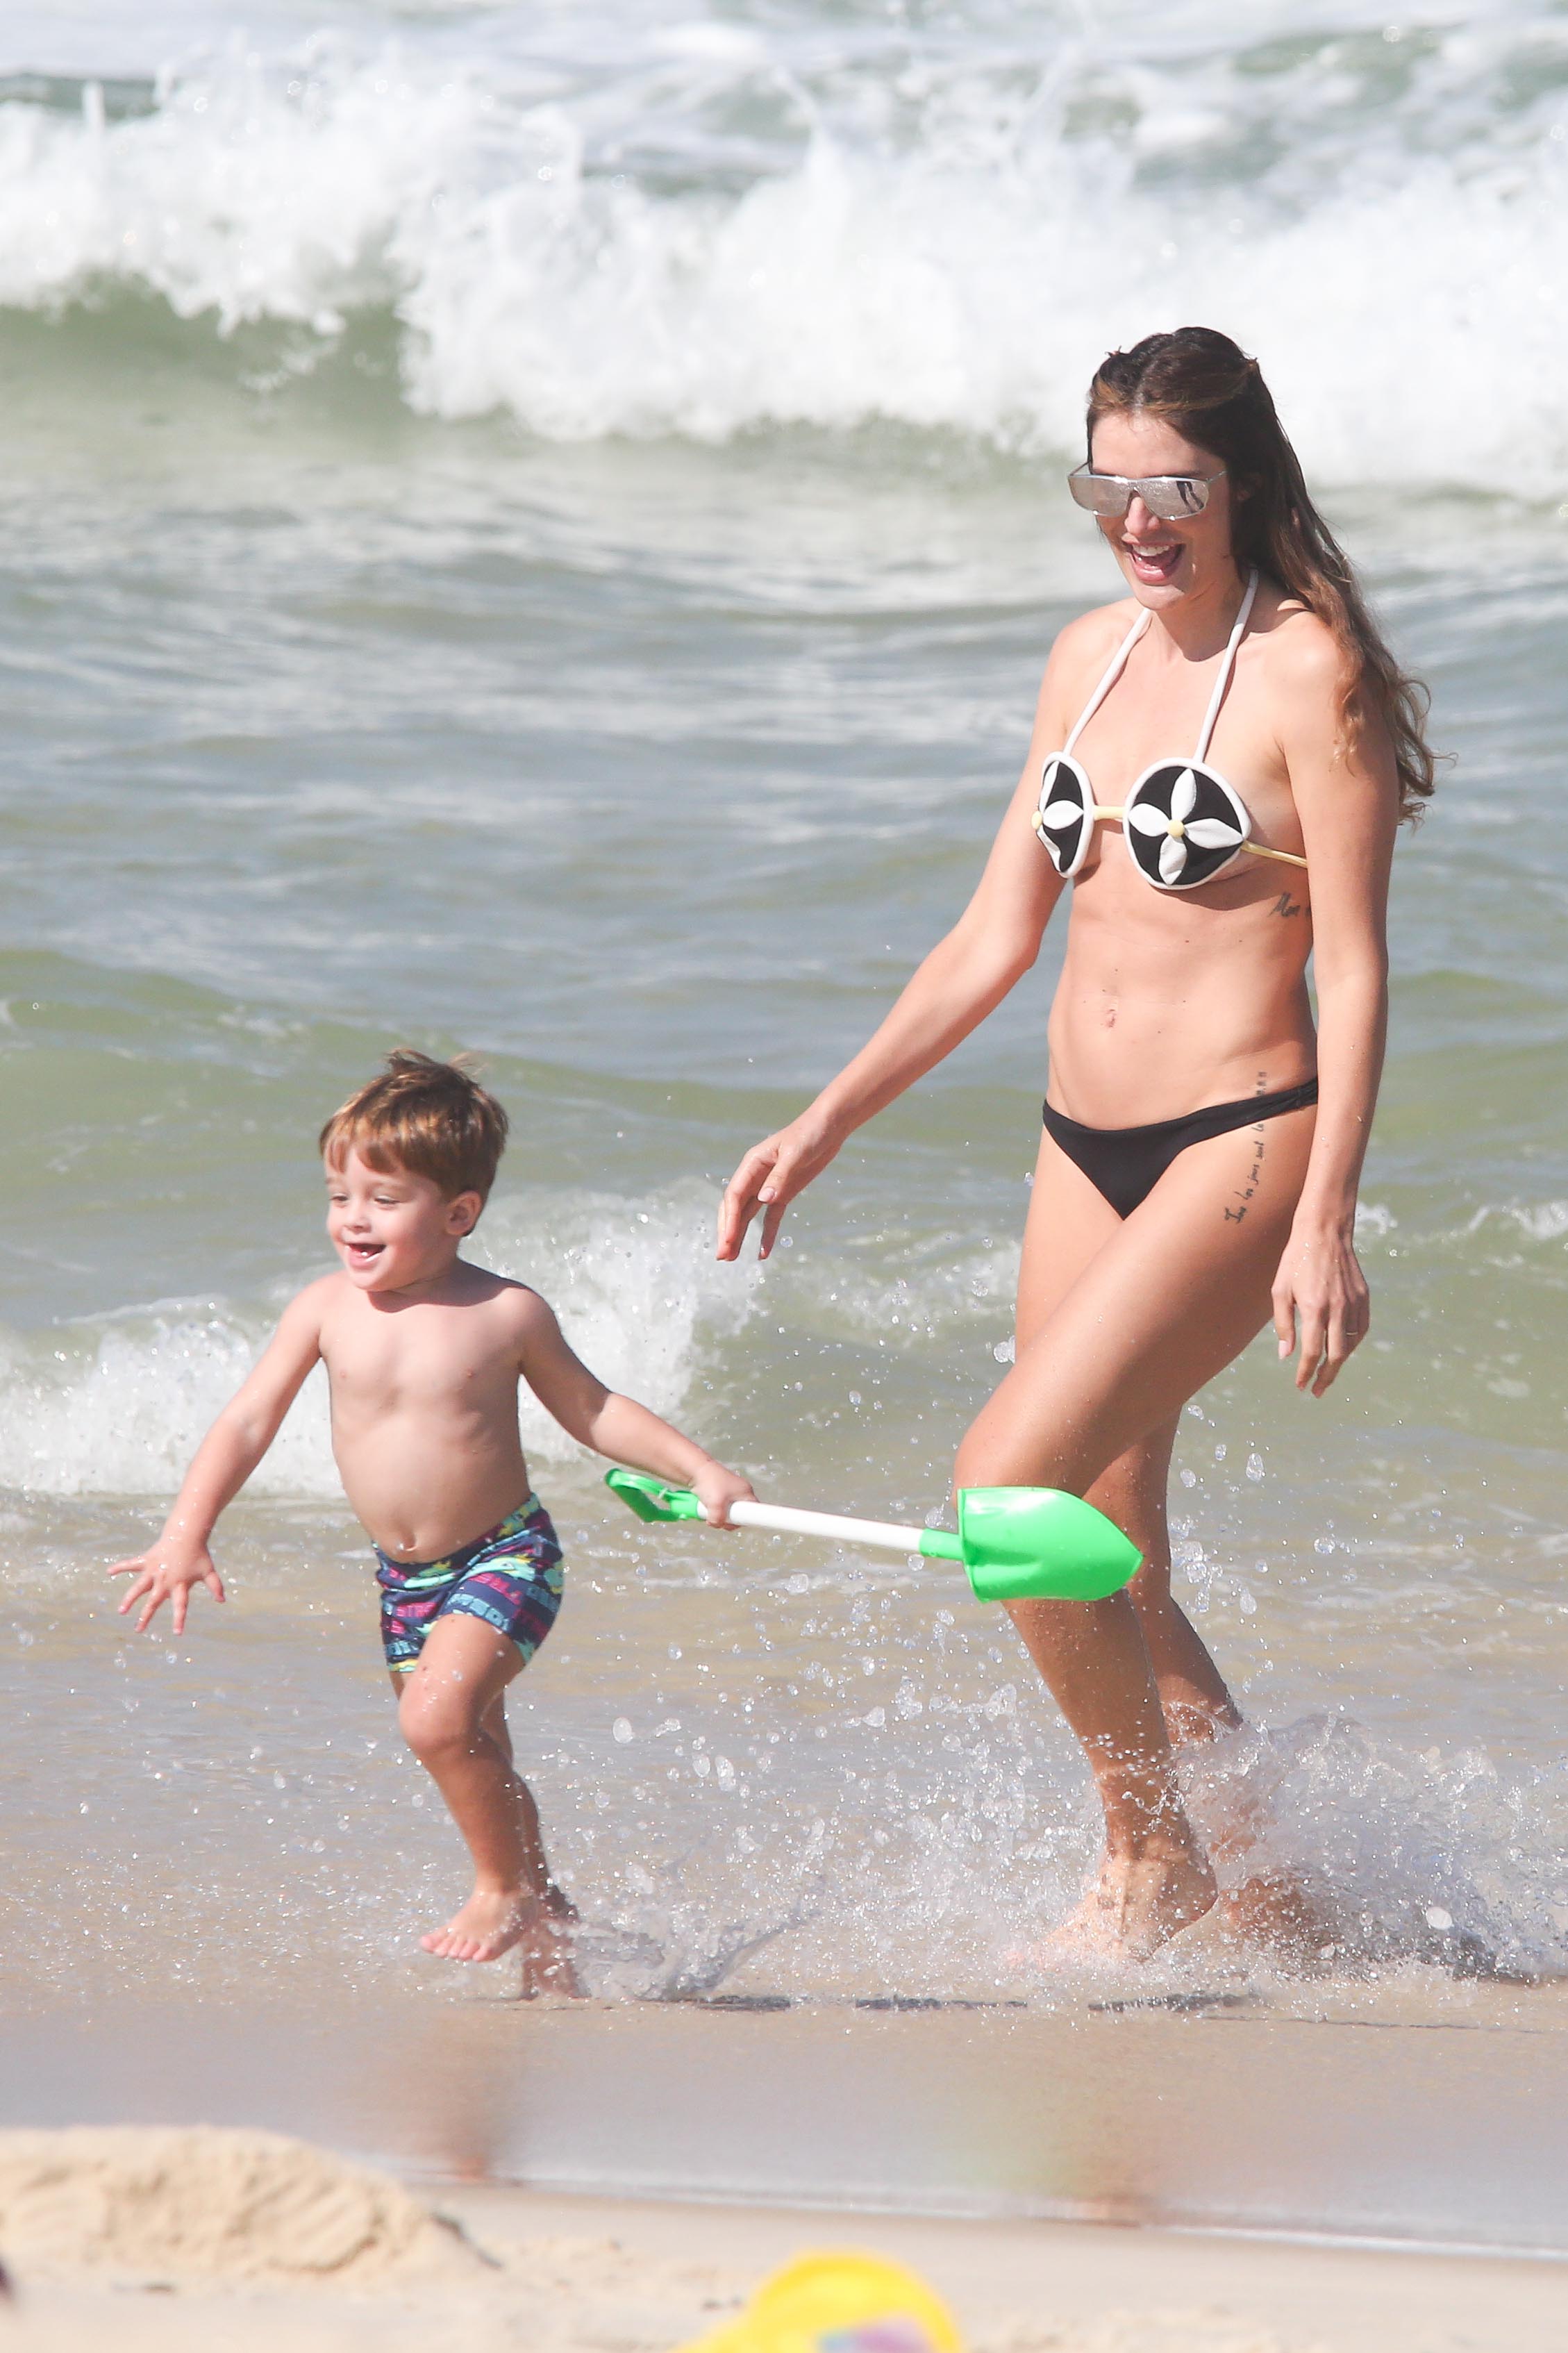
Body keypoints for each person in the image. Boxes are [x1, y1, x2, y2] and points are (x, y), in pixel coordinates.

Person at [717, 328, 1434, 1963]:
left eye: (1170, 484)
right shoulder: (1083, 659)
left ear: (1239, 479)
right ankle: (1280, 1894)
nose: (1137, 517)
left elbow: (1355, 963)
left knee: (999, 1491)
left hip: (1238, 1137)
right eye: (1106, 486)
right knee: (1112, 1556)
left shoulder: (1308, 664)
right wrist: (827, 1118)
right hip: (1077, 1146)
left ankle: (1147, 1855)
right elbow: (990, 937)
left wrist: (1328, 1216)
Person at [112, 1051, 753, 1987]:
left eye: (383, 1198)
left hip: (507, 1558)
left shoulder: (504, 1312)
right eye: (339, 1196)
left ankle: (501, 1888)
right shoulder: (325, 1309)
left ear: (458, 1214)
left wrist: (700, 1471)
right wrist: (186, 1530)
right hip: (404, 1584)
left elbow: (594, 1410)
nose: (352, 1220)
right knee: (473, 1743)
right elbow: (247, 1420)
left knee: (435, 1723)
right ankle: (550, 1933)